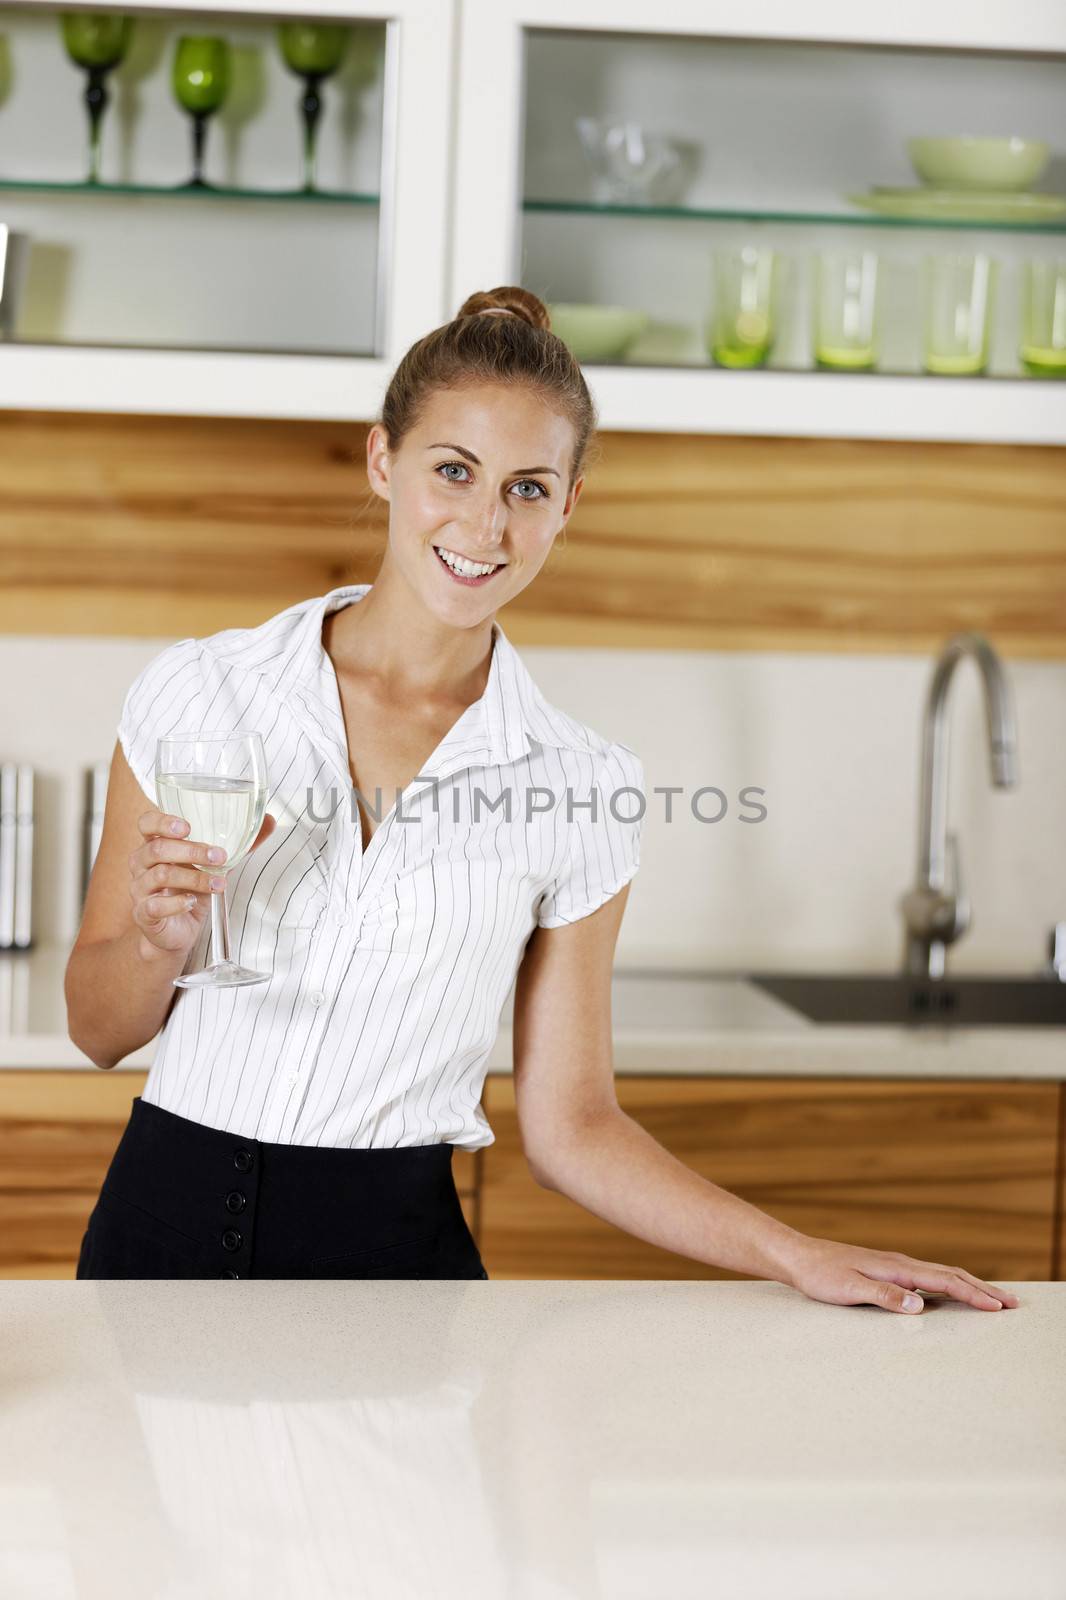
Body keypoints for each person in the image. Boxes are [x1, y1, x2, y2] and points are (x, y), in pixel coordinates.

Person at [65, 285, 1019, 1312]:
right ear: (384, 460)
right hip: (154, 1236)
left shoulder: (581, 786)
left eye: (527, 488)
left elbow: (574, 1127)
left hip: (389, 1265)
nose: (484, 522)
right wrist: (162, 939)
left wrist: (796, 1254)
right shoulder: (204, 691)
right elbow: (98, 1025)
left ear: (567, 506)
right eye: (453, 470)